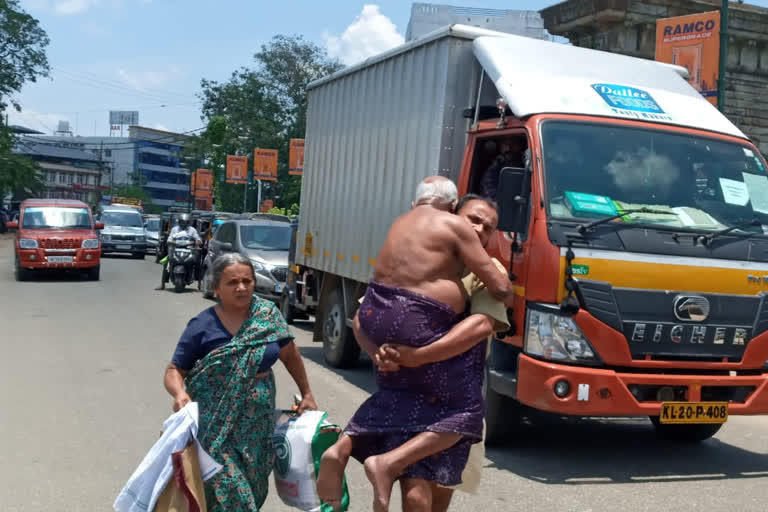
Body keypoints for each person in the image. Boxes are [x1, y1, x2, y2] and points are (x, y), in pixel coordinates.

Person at [316, 178, 514, 512]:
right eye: (473, 219)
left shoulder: (481, 265)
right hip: (432, 391)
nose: (479, 230)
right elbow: (365, 319)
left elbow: (483, 323)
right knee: (417, 479)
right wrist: (378, 353)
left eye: (489, 227)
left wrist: (413, 356)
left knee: (430, 489)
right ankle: (373, 460)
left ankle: (345, 448)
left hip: (435, 386)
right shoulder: (437, 247)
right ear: (452, 214)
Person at [164, 252, 317, 511]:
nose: (242, 287)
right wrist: (179, 393)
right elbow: (174, 369)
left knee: (253, 489)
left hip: (257, 427)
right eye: (233, 282)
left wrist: (307, 392)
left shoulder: (267, 316)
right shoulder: (202, 326)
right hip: (215, 428)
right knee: (234, 495)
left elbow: (290, 354)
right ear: (216, 288)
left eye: (247, 281)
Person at [156, 213, 201, 290]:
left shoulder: (192, 230)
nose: (184, 223)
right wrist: (171, 243)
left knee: (197, 263)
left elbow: (198, 240)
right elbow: (169, 239)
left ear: (189, 222)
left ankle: (200, 284)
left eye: (186, 222)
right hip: (175, 249)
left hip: (189, 250)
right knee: (166, 263)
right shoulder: (174, 229)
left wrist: (196, 243)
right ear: (179, 222)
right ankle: (162, 285)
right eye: (182, 222)